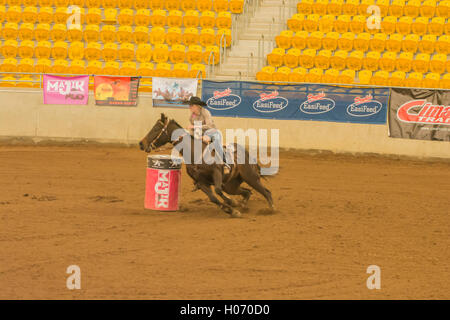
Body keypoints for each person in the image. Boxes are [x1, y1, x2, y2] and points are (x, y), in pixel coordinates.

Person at [186, 96, 231, 171]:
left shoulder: (205, 112)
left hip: (213, 132)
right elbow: (193, 130)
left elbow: (209, 126)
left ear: (196, 106)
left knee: (217, 144)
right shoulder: (191, 117)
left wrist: (195, 126)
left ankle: (225, 162)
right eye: (189, 105)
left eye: (191, 105)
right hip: (200, 135)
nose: (189, 107)